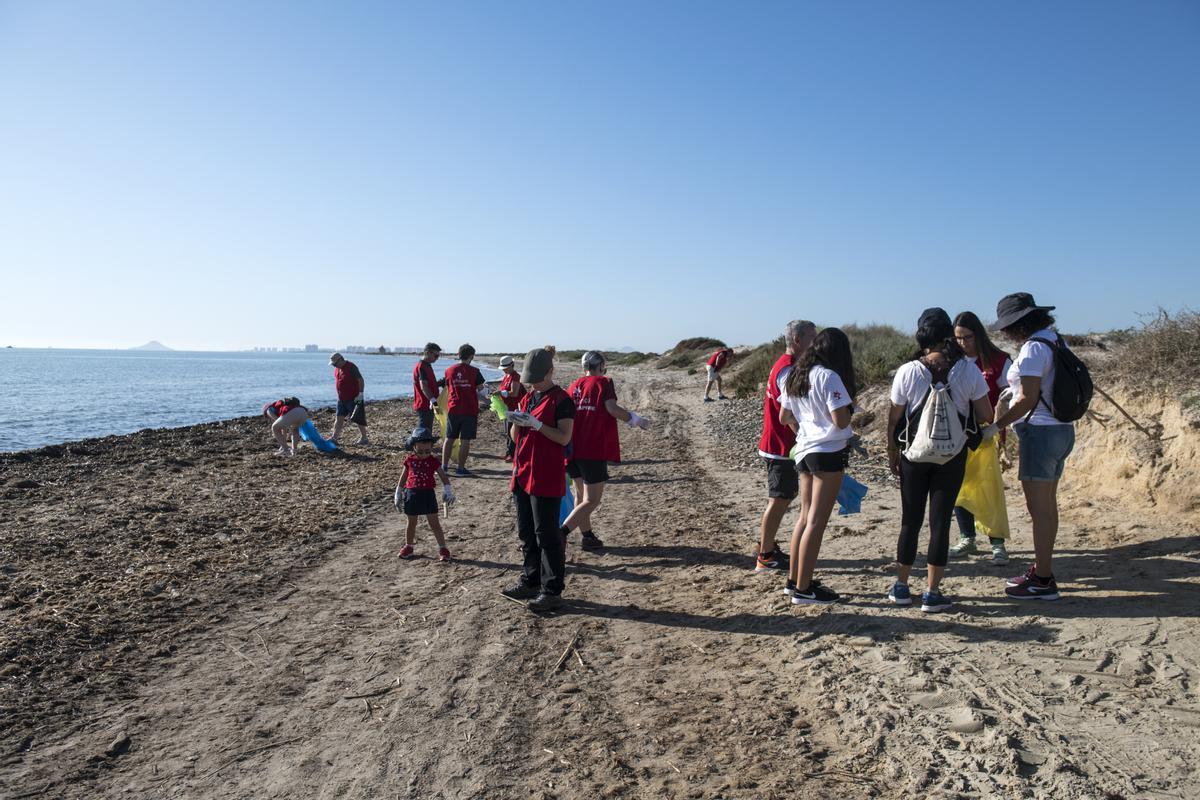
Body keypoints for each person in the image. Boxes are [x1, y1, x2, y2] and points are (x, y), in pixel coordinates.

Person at [886, 309, 994, 613]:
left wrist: (893, 452)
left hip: (914, 455)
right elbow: (986, 415)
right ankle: (932, 593)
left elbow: (894, 418)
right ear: (948, 334)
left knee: (910, 521)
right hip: (952, 455)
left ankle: (902, 587)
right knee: (940, 524)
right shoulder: (968, 371)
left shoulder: (907, 371)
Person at [989, 293, 1074, 601]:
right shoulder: (1055, 340)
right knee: (1048, 507)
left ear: (1018, 324)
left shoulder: (1034, 348)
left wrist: (995, 426)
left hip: (1040, 433)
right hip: (1061, 431)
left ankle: (1042, 579)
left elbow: (1028, 398)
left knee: (1039, 511)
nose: (1004, 333)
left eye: (1007, 326)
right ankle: (1042, 569)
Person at [778, 328, 857, 605]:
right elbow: (841, 421)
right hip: (828, 452)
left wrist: (808, 425)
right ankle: (804, 588)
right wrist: (851, 412)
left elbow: (784, 415)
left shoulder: (796, 374)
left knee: (803, 518)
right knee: (816, 522)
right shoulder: (828, 376)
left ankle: (794, 581)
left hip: (805, 450)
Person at [502, 348, 575, 613]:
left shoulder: (562, 399)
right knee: (526, 532)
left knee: (547, 534)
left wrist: (538, 425)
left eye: (538, 380)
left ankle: (552, 590)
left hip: (545, 474)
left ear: (551, 372)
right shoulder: (529, 397)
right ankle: (530, 580)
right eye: (531, 381)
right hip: (523, 472)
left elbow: (564, 437)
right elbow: (513, 436)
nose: (534, 385)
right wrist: (517, 421)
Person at [560, 351, 651, 550]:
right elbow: (611, 408)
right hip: (591, 448)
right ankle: (562, 533)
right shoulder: (603, 382)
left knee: (580, 494)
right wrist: (635, 420)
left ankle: (588, 537)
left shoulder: (574, 385)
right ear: (600, 365)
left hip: (572, 448)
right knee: (592, 499)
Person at [949, 311, 1013, 565]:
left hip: (988, 434)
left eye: (967, 337)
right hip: (958, 435)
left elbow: (1010, 394)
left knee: (989, 488)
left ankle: (997, 542)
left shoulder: (998, 360)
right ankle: (967, 537)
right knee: (960, 487)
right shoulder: (953, 362)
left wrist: (998, 426)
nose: (962, 343)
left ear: (978, 335)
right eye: (957, 338)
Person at [755, 320, 817, 573]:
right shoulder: (787, 369)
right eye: (813, 337)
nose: (816, 342)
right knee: (779, 499)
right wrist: (806, 439)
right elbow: (788, 413)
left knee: (783, 497)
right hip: (781, 445)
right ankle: (765, 556)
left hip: (783, 444)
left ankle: (766, 546)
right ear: (798, 340)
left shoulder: (790, 366)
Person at [395, 428, 454, 562]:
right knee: (411, 523)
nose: (424, 454)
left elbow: (443, 477)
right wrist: (398, 493)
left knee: (434, 523)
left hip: (428, 494)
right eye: (420, 451)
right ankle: (409, 546)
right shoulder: (409, 461)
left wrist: (448, 490)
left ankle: (443, 548)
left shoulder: (433, 461)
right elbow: (403, 478)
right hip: (411, 493)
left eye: (428, 451)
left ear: (431, 448)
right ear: (413, 447)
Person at [442, 344, 487, 476]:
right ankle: (460, 468)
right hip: (469, 410)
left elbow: (447, 387)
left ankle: (444, 467)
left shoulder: (449, 370)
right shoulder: (475, 371)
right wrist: (489, 398)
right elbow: (481, 389)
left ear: (458, 354)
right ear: (472, 356)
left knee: (449, 438)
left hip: (454, 408)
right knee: (465, 440)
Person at [329, 353, 368, 446]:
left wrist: (361, 394)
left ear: (341, 360)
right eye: (333, 364)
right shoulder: (337, 369)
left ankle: (364, 438)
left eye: (335, 364)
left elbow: (360, 380)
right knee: (339, 418)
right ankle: (334, 438)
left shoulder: (351, 367)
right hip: (341, 399)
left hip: (353, 398)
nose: (334, 366)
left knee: (358, 418)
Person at [496, 355, 525, 463]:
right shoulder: (507, 376)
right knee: (507, 431)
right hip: (507, 408)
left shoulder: (515, 376)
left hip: (514, 408)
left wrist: (501, 393)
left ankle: (513, 454)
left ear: (511, 366)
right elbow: (504, 390)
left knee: (512, 431)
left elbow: (514, 393)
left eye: (505, 368)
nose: (504, 370)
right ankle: (509, 452)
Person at [412, 343, 442, 431]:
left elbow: (429, 383)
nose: (437, 358)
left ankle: (424, 444)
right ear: (428, 352)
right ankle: (413, 444)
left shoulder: (427, 365)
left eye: (438, 356)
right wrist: (433, 401)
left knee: (426, 430)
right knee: (423, 431)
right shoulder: (422, 366)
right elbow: (424, 386)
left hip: (428, 404)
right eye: (436, 355)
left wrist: (441, 383)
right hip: (424, 404)